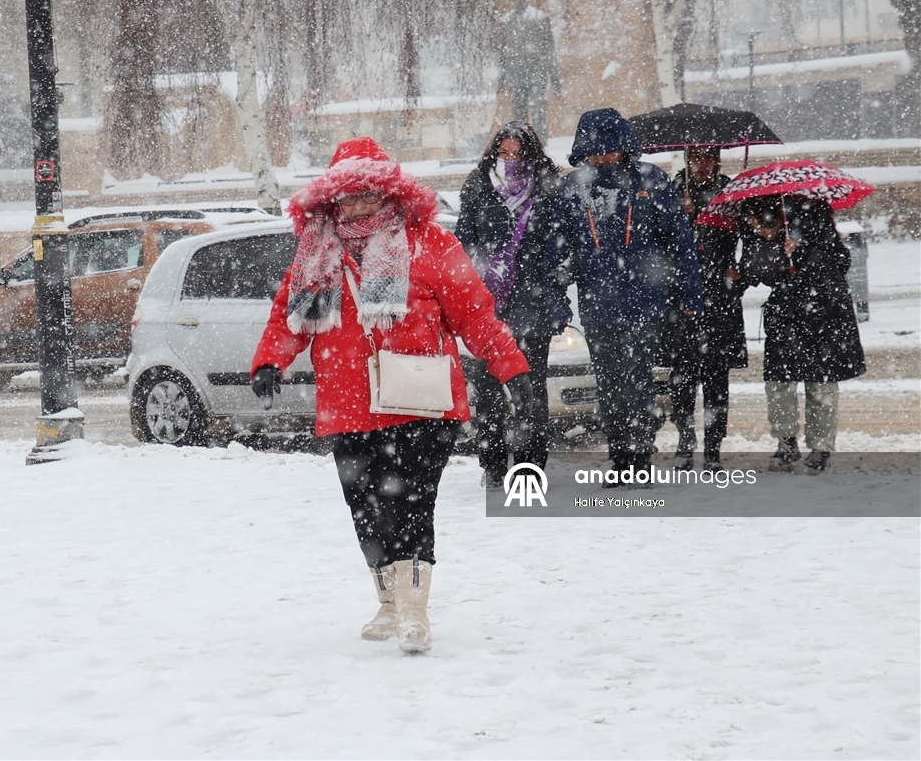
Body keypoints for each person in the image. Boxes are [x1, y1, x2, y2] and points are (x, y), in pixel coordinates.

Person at [250, 137, 533, 653]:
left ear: (390, 194)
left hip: (420, 402)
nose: (357, 206)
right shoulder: (317, 253)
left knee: (411, 505)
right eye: (348, 197)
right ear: (331, 201)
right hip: (348, 404)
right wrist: (271, 360)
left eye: (368, 195)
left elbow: (475, 314)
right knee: (367, 509)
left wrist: (511, 368)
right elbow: (288, 316)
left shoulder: (431, 244)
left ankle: (413, 612)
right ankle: (387, 602)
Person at [546, 109, 703, 485]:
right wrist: (556, 298)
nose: (602, 159)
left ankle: (640, 463)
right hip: (598, 308)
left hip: (644, 305)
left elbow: (679, 243)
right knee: (610, 388)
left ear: (623, 147)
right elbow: (557, 251)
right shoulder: (573, 188)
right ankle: (621, 462)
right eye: (595, 152)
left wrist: (689, 293)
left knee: (637, 385)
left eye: (610, 151)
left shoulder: (650, 180)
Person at [456, 122, 563, 490]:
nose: (511, 160)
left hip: (533, 303)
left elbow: (558, 245)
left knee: (531, 387)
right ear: (494, 153)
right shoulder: (479, 186)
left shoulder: (548, 188)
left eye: (519, 154)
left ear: (531, 154)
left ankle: (531, 465)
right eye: (504, 153)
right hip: (487, 307)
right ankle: (494, 462)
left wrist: (553, 280)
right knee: (488, 389)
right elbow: (463, 242)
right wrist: (480, 270)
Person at [733, 195, 866, 474]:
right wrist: (745, 271)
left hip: (823, 314)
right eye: (751, 226)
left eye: (759, 225)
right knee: (779, 382)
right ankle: (785, 441)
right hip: (785, 315)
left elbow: (839, 263)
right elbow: (759, 269)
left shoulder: (813, 220)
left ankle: (821, 448)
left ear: (775, 217)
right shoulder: (761, 232)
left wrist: (801, 253)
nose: (756, 230)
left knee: (821, 384)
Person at [659, 146, 745, 470]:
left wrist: (740, 273)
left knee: (716, 380)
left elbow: (746, 240)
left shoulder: (730, 192)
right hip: (681, 299)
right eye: (696, 157)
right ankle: (685, 438)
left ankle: (713, 448)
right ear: (687, 158)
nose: (702, 164)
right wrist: (682, 217)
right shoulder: (671, 190)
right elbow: (655, 241)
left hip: (720, 300)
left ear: (717, 160)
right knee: (682, 378)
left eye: (708, 157)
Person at [496, 0, 561, 143]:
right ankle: (524, 144)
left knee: (538, 109)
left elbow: (549, 49)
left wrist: (554, 78)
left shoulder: (540, 18)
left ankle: (541, 144)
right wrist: (500, 79)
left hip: (536, 70)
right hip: (515, 72)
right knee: (519, 113)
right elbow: (501, 54)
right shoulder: (505, 22)